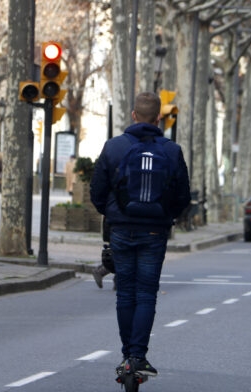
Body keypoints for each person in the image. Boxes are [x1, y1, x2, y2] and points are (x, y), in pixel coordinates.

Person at [90, 91, 191, 376]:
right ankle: (138, 356)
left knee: (126, 293)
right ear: (159, 118)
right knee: (146, 294)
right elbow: (183, 195)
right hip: (154, 231)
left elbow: (97, 191)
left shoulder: (113, 147)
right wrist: (166, 216)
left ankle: (126, 358)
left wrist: (112, 213)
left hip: (121, 229)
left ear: (134, 115)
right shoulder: (171, 150)